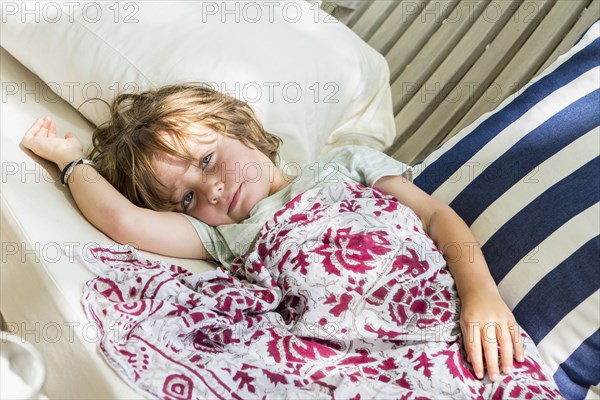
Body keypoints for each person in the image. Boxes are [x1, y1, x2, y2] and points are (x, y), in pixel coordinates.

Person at [21, 84, 555, 395]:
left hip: (445, 322)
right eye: (185, 198)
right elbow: (124, 223)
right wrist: (71, 162)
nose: (209, 189)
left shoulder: (345, 166)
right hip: (356, 358)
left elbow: (437, 218)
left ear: (245, 131)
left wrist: (481, 293)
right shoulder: (225, 237)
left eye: (207, 160)